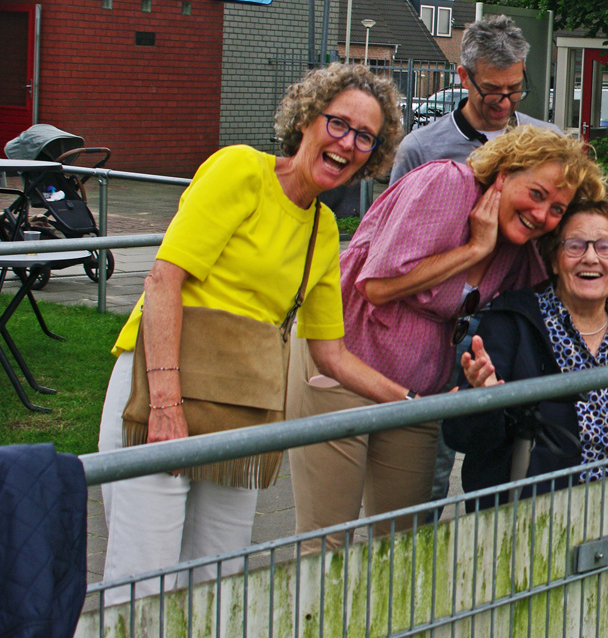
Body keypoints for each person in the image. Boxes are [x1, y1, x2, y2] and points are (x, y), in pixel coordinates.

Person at [97, 64, 415, 603]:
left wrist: (411, 401)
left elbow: (332, 355)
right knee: (141, 586)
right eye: (339, 124)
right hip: (159, 389)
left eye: (366, 136)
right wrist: (167, 406)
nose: (348, 143)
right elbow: (164, 279)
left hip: (240, 411)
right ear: (307, 118)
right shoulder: (241, 169)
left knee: (215, 585)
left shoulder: (322, 232)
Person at [286, 125, 608, 549]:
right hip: (345, 363)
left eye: (557, 209)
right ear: (504, 175)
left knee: (400, 542)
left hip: (416, 391)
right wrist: (473, 249)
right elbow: (376, 286)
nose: (541, 214)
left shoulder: (519, 241)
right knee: (325, 543)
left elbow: (570, 283)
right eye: (537, 194)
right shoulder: (448, 184)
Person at [445, 199, 608, 509]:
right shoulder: (511, 325)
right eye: (575, 245)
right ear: (554, 260)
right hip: (527, 520)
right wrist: (484, 400)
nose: (590, 257)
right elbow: (464, 437)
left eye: (604, 247)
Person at [389, 14, 560, 183]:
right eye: (491, 89)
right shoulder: (419, 150)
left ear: (523, 71)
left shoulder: (550, 141)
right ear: (464, 77)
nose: (505, 103)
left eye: (514, 88)